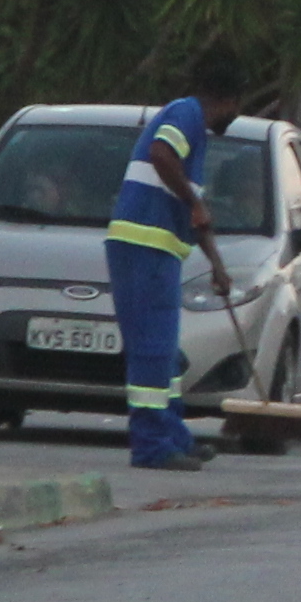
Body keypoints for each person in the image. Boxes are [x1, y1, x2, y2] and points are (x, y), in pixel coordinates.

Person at [109, 50, 253, 471]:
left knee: (165, 353)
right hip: (143, 244)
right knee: (152, 350)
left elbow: (197, 214)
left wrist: (218, 267)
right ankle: (152, 447)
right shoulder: (186, 113)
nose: (236, 113)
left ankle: (175, 436)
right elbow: (159, 153)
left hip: (160, 248)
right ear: (228, 99)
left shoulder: (198, 136)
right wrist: (192, 201)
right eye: (238, 104)